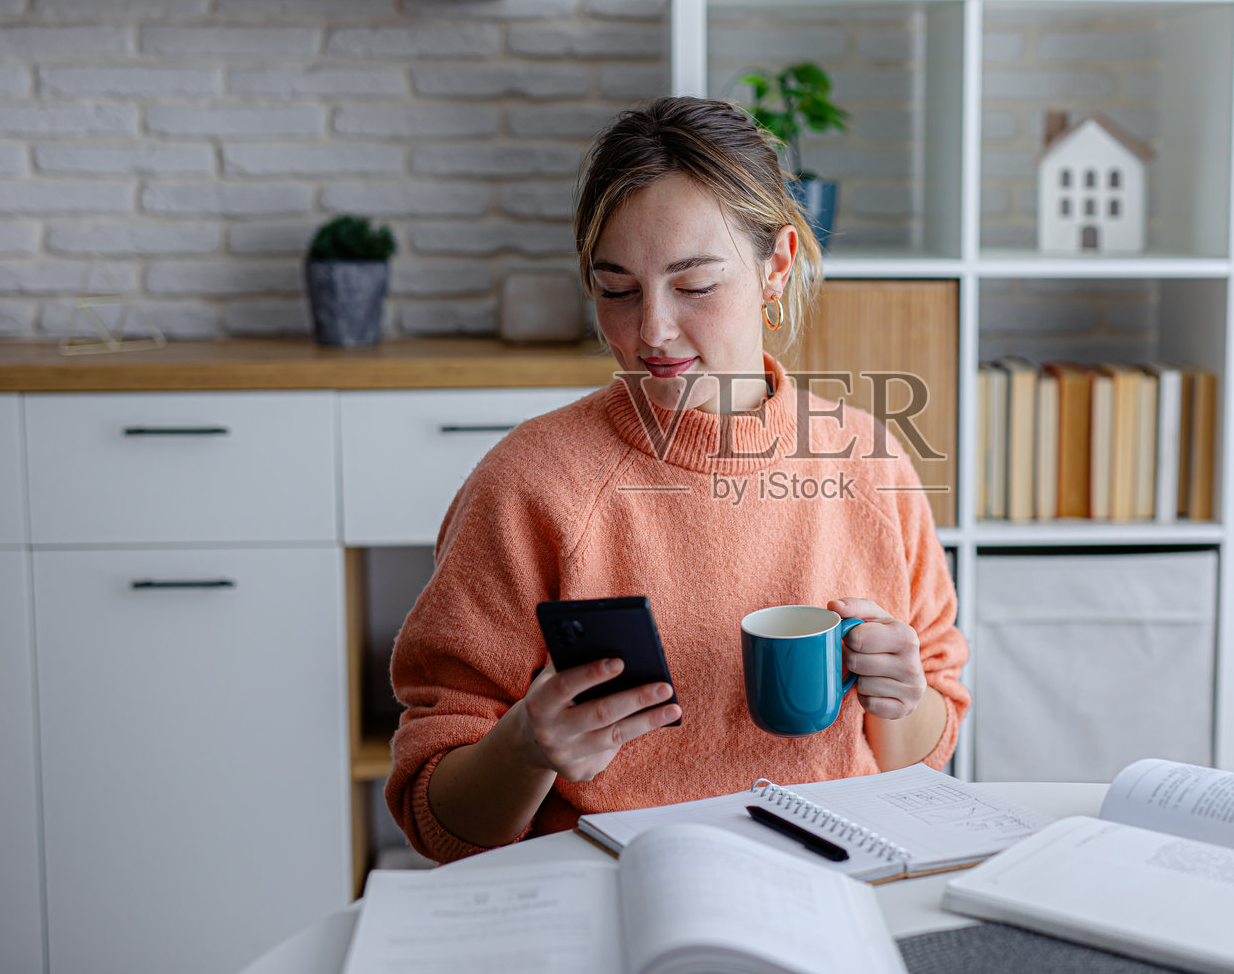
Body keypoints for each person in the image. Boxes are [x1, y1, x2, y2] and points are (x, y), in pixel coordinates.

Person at [385, 96, 969, 863]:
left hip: (832, 885)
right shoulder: (527, 485)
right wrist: (525, 748)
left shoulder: (869, 458)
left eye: (694, 285)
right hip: (615, 896)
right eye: (617, 289)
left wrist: (906, 699)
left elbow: (919, 756)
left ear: (777, 266)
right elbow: (438, 816)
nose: (651, 330)